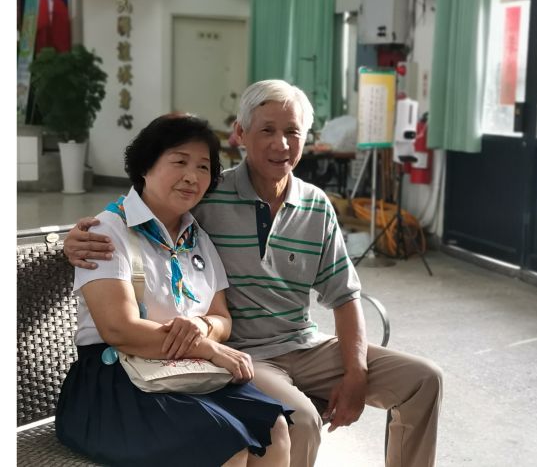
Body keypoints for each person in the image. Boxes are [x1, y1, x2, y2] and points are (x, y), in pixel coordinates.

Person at [64, 80, 443, 467]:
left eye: (292, 131)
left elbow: (345, 297)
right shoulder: (209, 195)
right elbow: (147, 209)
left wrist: (356, 373)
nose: (281, 144)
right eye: (267, 130)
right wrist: (73, 239)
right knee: (300, 421)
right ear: (241, 134)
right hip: (247, 353)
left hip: (305, 343)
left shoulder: (316, 206)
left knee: (424, 379)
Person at [56, 114, 293, 467]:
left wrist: (201, 326)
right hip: (114, 383)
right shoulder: (107, 232)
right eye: (179, 161)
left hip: (183, 372)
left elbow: (222, 318)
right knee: (222, 443)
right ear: (145, 166)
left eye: (203, 167)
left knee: (274, 426)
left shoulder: (198, 238)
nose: (192, 176)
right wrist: (205, 346)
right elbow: (119, 330)